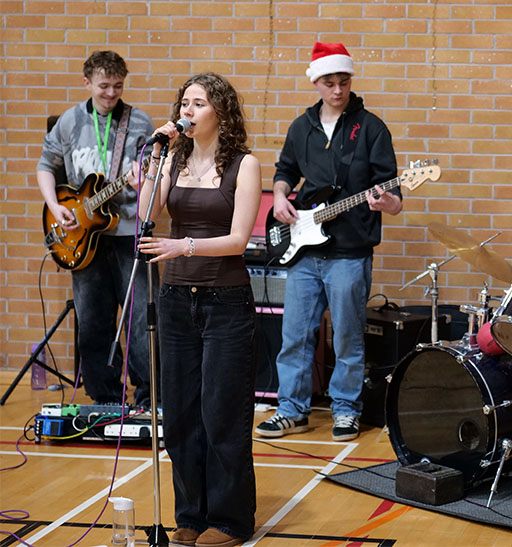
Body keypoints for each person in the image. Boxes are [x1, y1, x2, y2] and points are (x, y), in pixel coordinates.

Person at [137, 72, 262, 547]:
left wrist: (184, 245)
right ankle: (190, 512)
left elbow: (237, 240)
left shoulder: (243, 165)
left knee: (221, 413)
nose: (188, 111)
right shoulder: (174, 159)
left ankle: (230, 520)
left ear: (221, 113)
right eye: (184, 102)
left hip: (225, 302)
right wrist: (157, 160)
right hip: (174, 302)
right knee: (181, 416)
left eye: (199, 103)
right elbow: (148, 213)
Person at [255, 41, 402, 442]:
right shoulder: (302, 127)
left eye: (343, 82)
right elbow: (285, 170)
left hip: (350, 253)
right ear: (316, 83)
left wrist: (387, 202)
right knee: (295, 334)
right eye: (329, 83)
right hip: (304, 249)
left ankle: (345, 410)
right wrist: (282, 197)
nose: (338, 90)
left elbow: (392, 199)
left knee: (348, 335)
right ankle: (291, 409)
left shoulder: (371, 127)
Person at [36, 50, 154, 408]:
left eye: (118, 86)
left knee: (139, 318)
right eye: (103, 86)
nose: (110, 93)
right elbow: (45, 166)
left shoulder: (140, 122)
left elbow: (154, 169)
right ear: (87, 82)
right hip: (82, 237)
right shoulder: (69, 122)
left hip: (129, 233)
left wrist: (144, 174)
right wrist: (56, 207)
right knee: (91, 318)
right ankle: (103, 395)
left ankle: (149, 394)